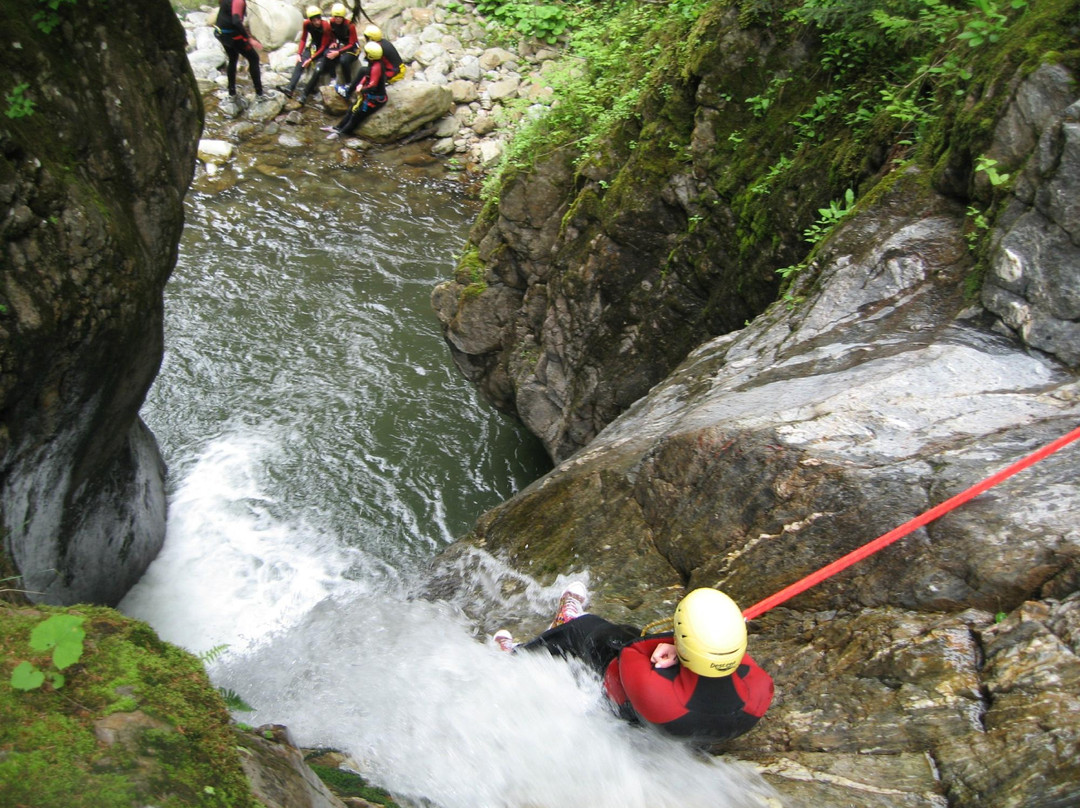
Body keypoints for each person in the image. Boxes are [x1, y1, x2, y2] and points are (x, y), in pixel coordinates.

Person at [495, 584, 774, 744]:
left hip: (629, 702)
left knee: (594, 631)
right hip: (693, 730)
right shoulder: (761, 691)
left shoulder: (650, 689)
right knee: (627, 631)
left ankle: (516, 654)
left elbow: (634, 650)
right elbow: (732, 655)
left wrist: (674, 642)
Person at [322, 41, 388, 140]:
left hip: (376, 99)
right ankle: (337, 127)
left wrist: (362, 90)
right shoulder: (374, 63)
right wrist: (361, 84)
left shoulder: (376, 68)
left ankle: (340, 133)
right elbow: (367, 76)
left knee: (356, 116)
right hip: (370, 96)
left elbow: (372, 86)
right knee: (351, 109)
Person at [214, 0, 265, 99]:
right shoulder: (238, 1)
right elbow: (236, 21)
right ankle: (260, 94)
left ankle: (231, 92)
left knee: (233, 58)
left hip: (220, 33)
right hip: (231, 36)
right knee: (254, 58)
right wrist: (248, 38)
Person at [280, 6, 331, 101]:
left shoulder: (326, 26)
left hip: (324, 49)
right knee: (300, 62)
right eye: (314, 20)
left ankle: (304, 94)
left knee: (318, 70)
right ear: (310, 20)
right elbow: (303, 38)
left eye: (318, 19)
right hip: (314, 45)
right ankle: (290, 88)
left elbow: (324, 46)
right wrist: (299, 53)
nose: (317, 22)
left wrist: (311, 59)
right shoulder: (307, 24)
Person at [343, 24, 404, 98]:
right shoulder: (383, 42)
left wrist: (362, 83)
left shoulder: (377, 49)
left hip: (393, 73)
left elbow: (373, 66)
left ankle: (348, 91)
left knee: (363, 71)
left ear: (371, 38)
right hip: (398, 69)